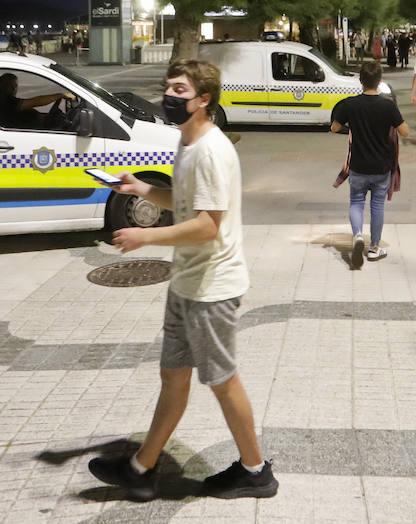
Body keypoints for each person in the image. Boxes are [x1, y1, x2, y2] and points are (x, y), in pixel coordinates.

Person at [88, 60, 277, 502]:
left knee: (222, 380)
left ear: (204, 99)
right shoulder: (187, 144)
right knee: (173, 376)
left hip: (212, 287)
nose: (169, 95)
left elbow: (208, 225)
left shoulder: (211, 151)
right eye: (168, 86)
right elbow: (187, 201)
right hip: (187, 281)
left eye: (180, 89)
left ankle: (255, 471)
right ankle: (141, 468)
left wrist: (145, 236)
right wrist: (140, 190)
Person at [331, 61, 408, 267]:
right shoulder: (387, 106)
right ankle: (374, 248)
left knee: (356, 202)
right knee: (377, 206)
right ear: (380, 81)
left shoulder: (350, 104)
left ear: (360, 81)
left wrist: (352, 127)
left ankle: (357, 235)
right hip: (381, 167)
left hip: (358, 165)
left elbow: (334, 127)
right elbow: (405, 131)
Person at [0, 72, 73, 129]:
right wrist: (61, 95)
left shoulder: (7, 99)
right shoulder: (7, 101)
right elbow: (36, 101)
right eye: (11, 85)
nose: (14, 88)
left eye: (15, 85)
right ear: (2, 86)